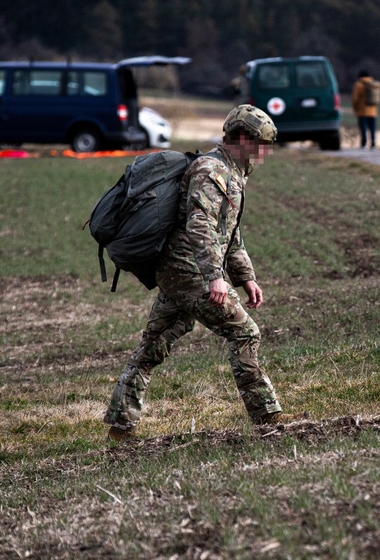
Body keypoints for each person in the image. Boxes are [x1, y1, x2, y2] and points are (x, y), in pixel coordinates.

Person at [104, 105, 298, 441]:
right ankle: (267, 418)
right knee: (244, 332)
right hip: (190, 271)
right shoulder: (212, 172)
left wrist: (246, 276)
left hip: (180, 271)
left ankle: (120, 429)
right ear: (240, 138)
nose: (265, 152)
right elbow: (201, 227)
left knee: (153, 346)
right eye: (261, 143)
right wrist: (214, 277)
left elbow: (229, 232)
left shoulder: (231, 172)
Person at [351, 68, 378, 149]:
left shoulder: (358, 85)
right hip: (373, 111)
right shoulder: (374, 84)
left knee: (363, 128)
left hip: (362, 110)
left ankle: (363, 143)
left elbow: (355, 98)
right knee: (372, 127)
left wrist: (355, 108)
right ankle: (373, 143)